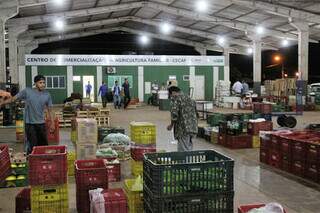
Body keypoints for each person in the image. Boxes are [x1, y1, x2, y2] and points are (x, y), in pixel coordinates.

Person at [0, 75, 55, 154]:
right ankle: (32, 161)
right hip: (30, 124)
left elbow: (50, 110)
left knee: (44, 146)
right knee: (33, 146)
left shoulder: (47, 95)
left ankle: (42, 162)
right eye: (40, 83)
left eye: (44, 83)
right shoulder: (27, 91)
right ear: (35, 83)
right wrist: (3, 103)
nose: (43, 84)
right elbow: (14, 99)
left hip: (41, 123)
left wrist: (52, 123)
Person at [167, 80, 198, 152]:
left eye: (170, 94)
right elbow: (196, 113)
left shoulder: (176, 99)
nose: (170, 96)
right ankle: (189, 162)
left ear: (172, 92)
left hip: (183, 129)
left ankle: (185, 163)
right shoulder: (188, 97)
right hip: (193, 128)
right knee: (189, 149)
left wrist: (171, 125)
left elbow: (174, 115)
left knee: (183, 152)